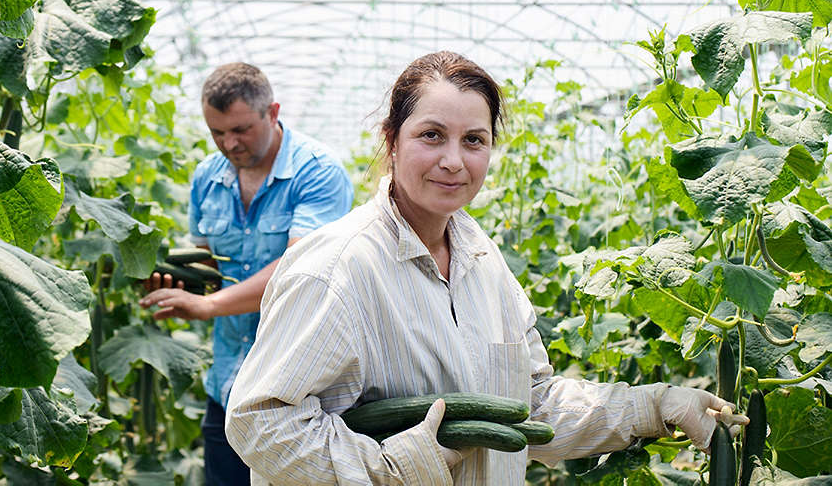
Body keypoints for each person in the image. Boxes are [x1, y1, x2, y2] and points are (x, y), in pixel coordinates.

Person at [224, 51, 747, 484]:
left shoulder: (482, 259)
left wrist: (658, 406)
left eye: (473, 140)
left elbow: (530, 405)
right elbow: (260, 421)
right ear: (392, 138)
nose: (454, 159)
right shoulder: (336, 270)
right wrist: (394, 468)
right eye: (432, 135)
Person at [139, 61, 353, 486]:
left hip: (296, 390)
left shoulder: (318, 171)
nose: (228, 143)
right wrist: (171, 282)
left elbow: (299, 272)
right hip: (227, 385)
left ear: (272, 113)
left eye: (240, 130)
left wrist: (206, 306)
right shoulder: (207, 178)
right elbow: (207, 267)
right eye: (217, 132)